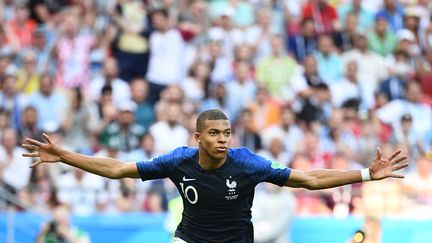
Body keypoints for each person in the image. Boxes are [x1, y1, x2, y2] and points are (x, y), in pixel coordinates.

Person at [22, 109, 408, 243]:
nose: (222, 139)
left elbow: (307, 179)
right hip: (190, 239)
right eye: (214, 134)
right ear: (198, 137)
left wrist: (365, 174)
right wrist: (66, 155)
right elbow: (118, 169)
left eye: (226, 133)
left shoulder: (247, 163)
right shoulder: (178, 161)